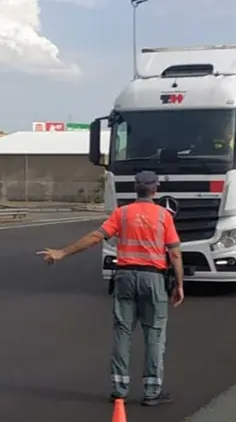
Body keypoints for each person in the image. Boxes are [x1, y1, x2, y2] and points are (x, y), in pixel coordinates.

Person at [37, 170, 184, 407]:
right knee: (154, 334)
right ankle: (152, 390)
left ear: (136, 189)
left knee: (122, 333)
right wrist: (179, 284)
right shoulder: (163, 216)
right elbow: (175, 253)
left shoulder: (122, 213)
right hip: (153, 279)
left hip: (125, 277)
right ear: (155, 190)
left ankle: (119, 389)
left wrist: (62, 252)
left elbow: (96, 238)